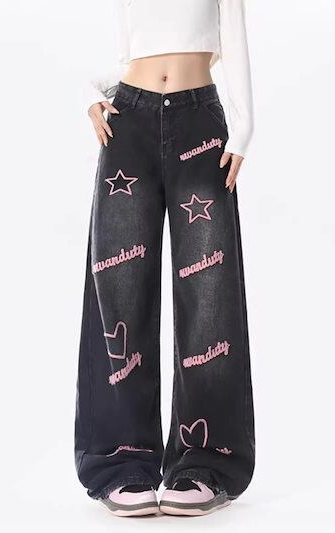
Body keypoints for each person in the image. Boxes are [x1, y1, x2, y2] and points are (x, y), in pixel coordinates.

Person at [75, 0, 255, 517]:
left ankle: (206, 462)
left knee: (209, 293)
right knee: (119, 289)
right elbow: (128, 52)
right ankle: (121, 462)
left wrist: (243, 127)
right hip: (126, 122)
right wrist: (91, 92)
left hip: (201, 123)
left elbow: (234, 40)